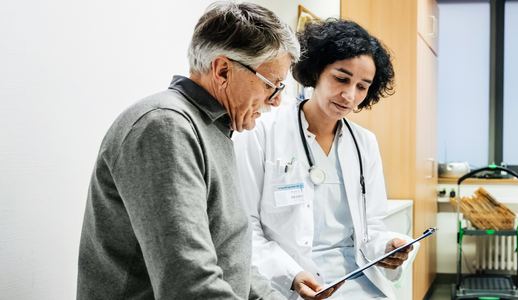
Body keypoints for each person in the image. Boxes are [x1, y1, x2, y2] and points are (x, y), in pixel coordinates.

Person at [77, 2, 312, 299]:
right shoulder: (164, 127)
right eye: (272, 85)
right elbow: (188, 282)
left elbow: (231, 257)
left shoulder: (212, 128)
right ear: (223, 70)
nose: (277, 101)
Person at [232, 19, 409, 300]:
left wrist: (388, 246)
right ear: (316, 71)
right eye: (341, 78)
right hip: (288, 281)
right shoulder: (262, 132)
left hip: (356, 279)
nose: (350, 96)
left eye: (362, 87)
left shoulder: (365, 143)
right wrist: (290, 275)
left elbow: (372, 227)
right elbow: (245, 228)